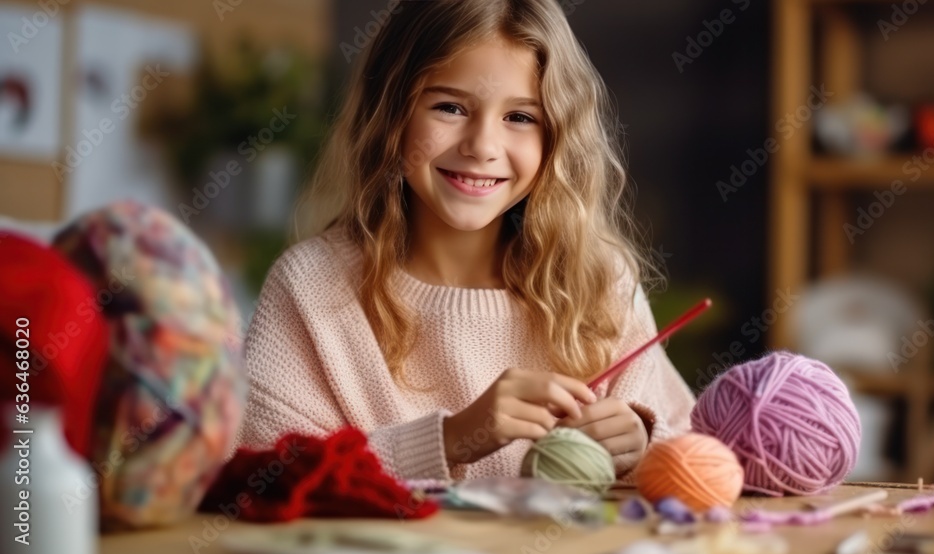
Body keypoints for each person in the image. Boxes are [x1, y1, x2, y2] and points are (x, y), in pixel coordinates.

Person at [236, 0, 694, 483]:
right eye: (449, 107)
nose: (482, 146)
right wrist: (451, 438)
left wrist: (644, 441)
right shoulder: (311, 285)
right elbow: (256, 477)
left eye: (520, 117)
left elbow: (700, 456)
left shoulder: (598, 283)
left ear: (556, 136)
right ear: (390, 116)